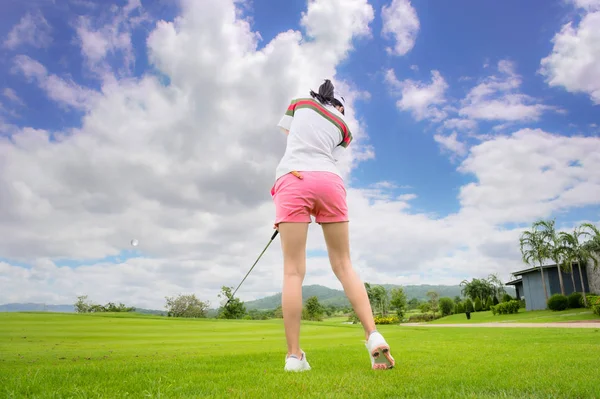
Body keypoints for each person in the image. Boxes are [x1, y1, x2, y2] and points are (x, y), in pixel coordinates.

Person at [270, 79, 395, 372]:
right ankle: (373, 334)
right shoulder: (345, 126)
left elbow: (291, 137)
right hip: (329, 181)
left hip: (292, 178)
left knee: (292, 271)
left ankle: (293, 357)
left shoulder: (300, 101)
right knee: (343, 264)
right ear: (339, 106)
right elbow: (328, 152)